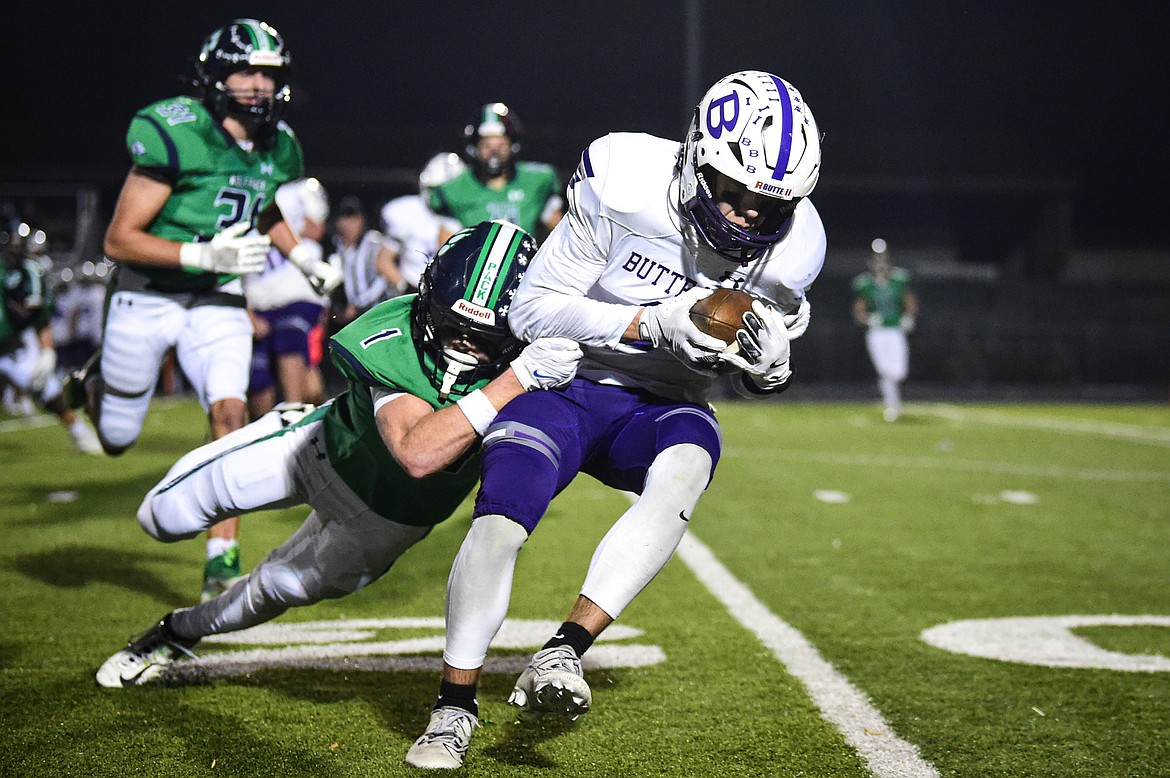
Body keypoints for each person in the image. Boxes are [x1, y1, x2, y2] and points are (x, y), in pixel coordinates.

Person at [406, 70, 825, 769]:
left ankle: (563, 651)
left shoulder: (796, 247)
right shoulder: (627, 178)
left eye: (770, 202)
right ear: (697, 156)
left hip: (663, 404)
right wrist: (653, 322)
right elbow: (531, 310)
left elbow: (755, 368)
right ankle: (453, 705)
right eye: (738, 191)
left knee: (689, 464)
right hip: (570, 376)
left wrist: (769, 371)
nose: (751, 214)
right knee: (502, 518)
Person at [94, 220, 583, 692]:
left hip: (388, 522)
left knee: (275, 588)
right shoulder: (401, 331)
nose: (462, 342)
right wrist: (514, 380)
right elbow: (415, 452)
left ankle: (177, 631)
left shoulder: (543, 364)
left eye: (484, 335)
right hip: (314, 451)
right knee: (161, 516)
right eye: (451, 322)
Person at [65, 18, 342, 601]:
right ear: (215, 76)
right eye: (245, 72)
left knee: (229, 412)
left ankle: (221, 555)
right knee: (116, 437)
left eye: (268, 75)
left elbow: (261, 204)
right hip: (147, 291)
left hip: (217, 297)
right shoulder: (176, 129)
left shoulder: (279, 143)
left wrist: (302, 258)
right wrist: (201, 250)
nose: (258, 86)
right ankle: (97, 385)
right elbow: (118, 239)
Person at [0, 221, 102, 453]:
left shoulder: (23, 273)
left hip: (10, 347)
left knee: (48, 392)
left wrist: (47, 350)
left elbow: (37, 314)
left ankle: (79, 431)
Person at [245, 177, 336, 419]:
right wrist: (248, 312)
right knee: (258, 373)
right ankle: (260, 431)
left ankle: (294, 414)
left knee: (290, 339)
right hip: (260, 302)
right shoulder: (260, 204)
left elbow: (315, 229)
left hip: (298, 300)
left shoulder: (298, 195)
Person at [429, 103, 563, 245]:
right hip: (475, 266)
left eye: (501, 145)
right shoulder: (454, 189)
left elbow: (560, 236)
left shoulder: (538, 181)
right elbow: (446, 251)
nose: (494, 152)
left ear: (512, 146)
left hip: (526, 265)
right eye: (486, 145)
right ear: (474, 148)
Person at [851, 238, 919, 422]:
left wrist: (908, 317)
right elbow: (859, 310)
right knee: (885, 370)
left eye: (883, 260)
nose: (880, 264)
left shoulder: (898, 280)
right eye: (877, 261)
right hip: (877, 332)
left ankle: (892, 401)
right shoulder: (865, 283)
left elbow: (910, 301)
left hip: (895, 330)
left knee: (899, 372)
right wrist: (868, 319)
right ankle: (892, 405)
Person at [380, 152, 466, 293]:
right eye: (438, 191)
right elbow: (383, 260)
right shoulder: (407, 211)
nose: (443, 198)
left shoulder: (466, 216)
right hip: (413, 288)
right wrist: (405, 287)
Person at [332, 195, 403, 321]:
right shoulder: (336, 247)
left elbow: (383, 278)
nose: (349, 225)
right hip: (354, 316)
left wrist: (358, 304)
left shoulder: (373, 242)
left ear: (362, 220)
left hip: (379, 311)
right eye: (345, 219)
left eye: (354, 219)